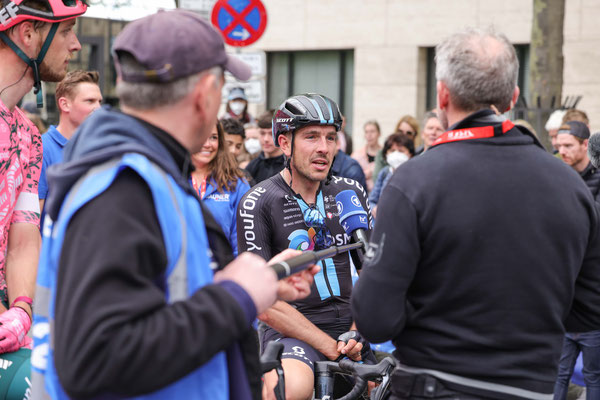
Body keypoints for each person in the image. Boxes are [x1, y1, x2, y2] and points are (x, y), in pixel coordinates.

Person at [31, 10, 317, 400]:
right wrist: (236, 296)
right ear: (204, 94)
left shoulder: (144, 174)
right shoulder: (124, 186)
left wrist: (253, 284)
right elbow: (95, 357)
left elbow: (154, 296)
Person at [352, 27, 600, 400]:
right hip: (531, 387)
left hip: (434, 383)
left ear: (442, 95)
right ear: (513, 96)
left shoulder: (415, 180)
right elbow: (590, 304)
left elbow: (373, 317)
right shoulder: (569, 186)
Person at [237, 93, 373, 400]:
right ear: (284, 143)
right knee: (287, 390)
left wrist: (356, 335)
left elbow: (374, 275)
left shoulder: (349, 191)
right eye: (311, 137)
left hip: (352, 332)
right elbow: (264, 302)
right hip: (292, 334)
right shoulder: (258, 201)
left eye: (330, 137)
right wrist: (329, 347)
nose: (324, 148)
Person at [0, 0, 86, 397]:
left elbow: (23, 234)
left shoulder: (27, 135)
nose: (77, 45)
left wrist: (21, 308)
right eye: (67, 30)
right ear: (28, 34)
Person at [39, 69, 103, 211]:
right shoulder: (42, 148)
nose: (98, 108)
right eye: (90, 101)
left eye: (99, 101)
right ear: (64, 104)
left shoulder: (99, 149)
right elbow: (31, 219)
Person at [191, 121, 250, 256]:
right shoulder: (172, 177)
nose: (207, 144)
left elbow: (242, 241)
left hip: (223, 271)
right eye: (200, 135)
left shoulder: (236, 183)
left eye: (213, 137)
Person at [369, 133, 414, 218]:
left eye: (401, 151)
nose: (396, 154)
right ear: (386, 154)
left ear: (410, 154)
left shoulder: (414, 175)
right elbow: (372, 200)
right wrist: (374, 208)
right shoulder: (384, 172)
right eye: (392, 151)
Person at [556, 121, 600, 200]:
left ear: (585, 144)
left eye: (568, 145)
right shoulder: (558, 174)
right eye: (559, 146)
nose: (561, 151)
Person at [245, 110, 285, 184]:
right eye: (262, 133)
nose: (266, 139)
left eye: (271, 134)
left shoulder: (290, 166)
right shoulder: (253, 165)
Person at [373, 115, 419, 180]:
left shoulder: (419, 154)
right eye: (400, 131)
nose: (403, 135)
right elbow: (376, 179)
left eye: (409, 133)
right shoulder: (383, 154)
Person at [351, 120, 381, 191]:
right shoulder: (356, 155)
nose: (369, 135)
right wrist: (363, 174)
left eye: (372, 131)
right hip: (361, 193)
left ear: (379, 134)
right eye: (366, 132)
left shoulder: (385, 155)